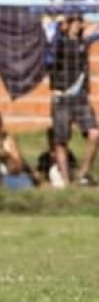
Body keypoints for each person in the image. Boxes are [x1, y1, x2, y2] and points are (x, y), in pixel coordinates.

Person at [46, 14, 98, 186]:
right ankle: (66, 180)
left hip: (80, 98)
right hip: (61, 97)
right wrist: (58, 24)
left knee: (94, 133)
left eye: (78, 21)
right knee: (61, 140)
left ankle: (83, 174)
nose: (76, 25)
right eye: (72, 21)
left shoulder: (84, 42)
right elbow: (51, 39)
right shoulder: (57, 44)